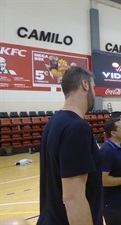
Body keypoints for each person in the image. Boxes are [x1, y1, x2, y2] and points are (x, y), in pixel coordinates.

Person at [37, 67, 103, 225]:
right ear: (85, 85)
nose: (94, 93)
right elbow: (73, 199)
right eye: (93, 88)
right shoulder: (77, 127)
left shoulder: (53, 123)